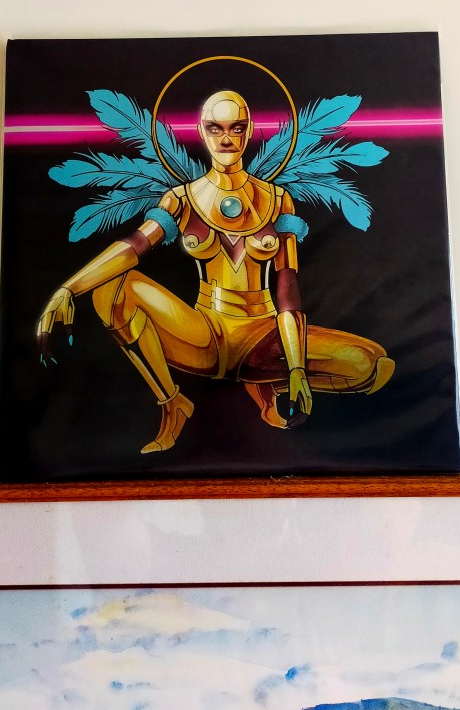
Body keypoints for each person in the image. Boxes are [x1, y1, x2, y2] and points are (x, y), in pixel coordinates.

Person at [37, 90, 394, 453]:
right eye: (215, 128)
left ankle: (267, 383)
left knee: (372, 365)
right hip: (204, 334)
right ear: (202, 131)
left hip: (264, 336)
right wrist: (68, 289)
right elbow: (134, 246)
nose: (226, 138)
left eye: (236, 128)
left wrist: (297, 367)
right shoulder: (180, 199)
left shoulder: (278, 200)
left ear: (249, 131)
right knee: (111, 289)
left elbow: (288, 285)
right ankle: (172, 402)